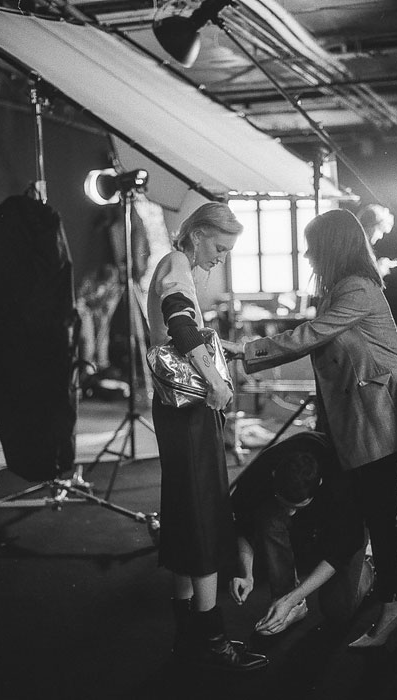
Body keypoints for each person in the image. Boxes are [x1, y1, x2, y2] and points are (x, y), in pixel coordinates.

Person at [223, 208, 397, 648]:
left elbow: (310, 335)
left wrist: (244, 351)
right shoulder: (339, 291)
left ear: (332, 247)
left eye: (311, 246)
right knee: (380, 519)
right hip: (368, 421)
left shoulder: (358, 288)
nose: (307, 255)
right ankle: (393, 607)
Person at [147, 202, 267, 671]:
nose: (221, 257)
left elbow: (182, 327)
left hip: (175, 410)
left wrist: (224, 347)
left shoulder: (174, 264)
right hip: (189, 412)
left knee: (183, 513)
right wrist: (215, 379)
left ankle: (188, 636)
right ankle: (213, 642)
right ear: (196, 234)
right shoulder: (178, 263)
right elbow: (178, 321)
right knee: (202, 516)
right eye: (219, 247)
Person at [230, 430, 373, 637]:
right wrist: (247, 575)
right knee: (271, 516)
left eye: (296, 506)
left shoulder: (341, 481)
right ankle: (290, 601)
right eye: (285, 503)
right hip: (311, 521)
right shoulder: (262, 470)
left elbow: (342, 549)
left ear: (320, 483)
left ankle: (369, 566)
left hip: (347, 525)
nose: (289, 512)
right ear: (274, 476)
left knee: (339, 610)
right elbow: (242, 523)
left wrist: (291, 600)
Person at [358, 203, 397, 277]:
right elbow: (362, 278)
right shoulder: (358, 249)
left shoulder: (363, 248)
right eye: (380, 230)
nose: (381, 237)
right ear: (371, 226)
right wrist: (380, 271)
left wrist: (380, 264)